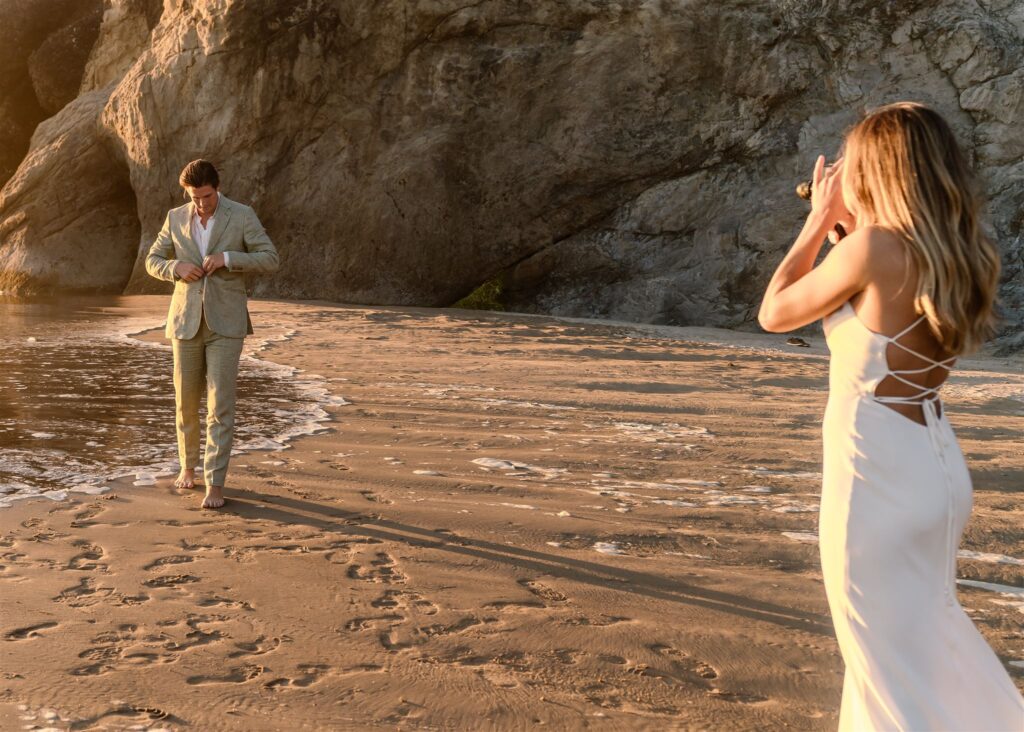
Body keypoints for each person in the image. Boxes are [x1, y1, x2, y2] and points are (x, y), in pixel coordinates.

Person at [759, 102, 1023, 730]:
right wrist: (845, 234)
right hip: (933, 467)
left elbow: (774, 311)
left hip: (873, 470)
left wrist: (818, 222)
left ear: (879, 169)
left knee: (883, 659)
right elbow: (887, 313)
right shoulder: (960, 250)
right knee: (925, 643)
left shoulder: (872, 249)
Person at [145, 159, 279, 509]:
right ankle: (188, 467)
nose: (201, 204)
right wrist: (175, 267)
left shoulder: (242, 214)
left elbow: (269, 258)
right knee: (185, 403)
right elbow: (152, 259)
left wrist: (228, 258)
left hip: (227, 324)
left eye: (206, 196)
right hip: (185, 322)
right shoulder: (176, 217)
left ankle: (215, 483)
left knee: (220, 405)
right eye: (194, 197)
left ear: (217, 188)